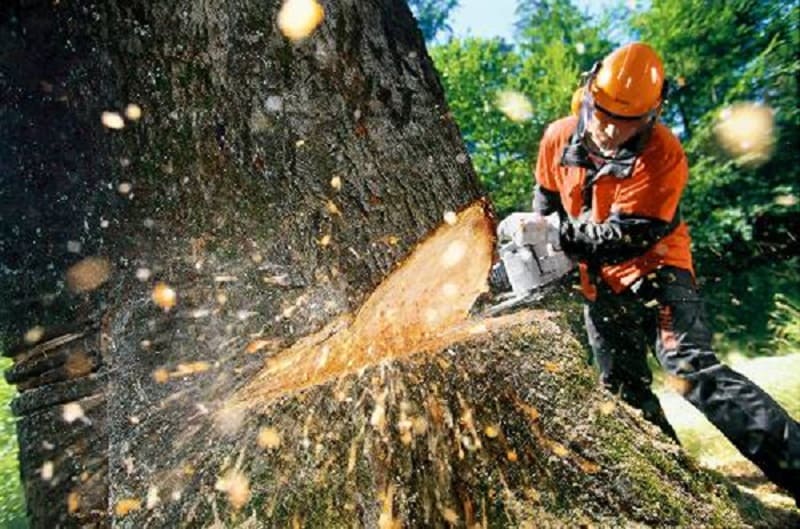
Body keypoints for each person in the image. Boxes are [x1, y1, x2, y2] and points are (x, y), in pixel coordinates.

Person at [526, 41, 799, 503]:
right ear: (589, 96)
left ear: (650, 116)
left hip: (660, 274)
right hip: (600, 286)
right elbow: (546, 204)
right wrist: (538, 243)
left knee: (693, 371)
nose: (610, 130)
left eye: (626, 122)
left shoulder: (663, 154)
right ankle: (681, 497)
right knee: (624, 394)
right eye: (604, 114)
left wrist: (559, 236)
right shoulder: (557, 138)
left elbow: (628, 237)